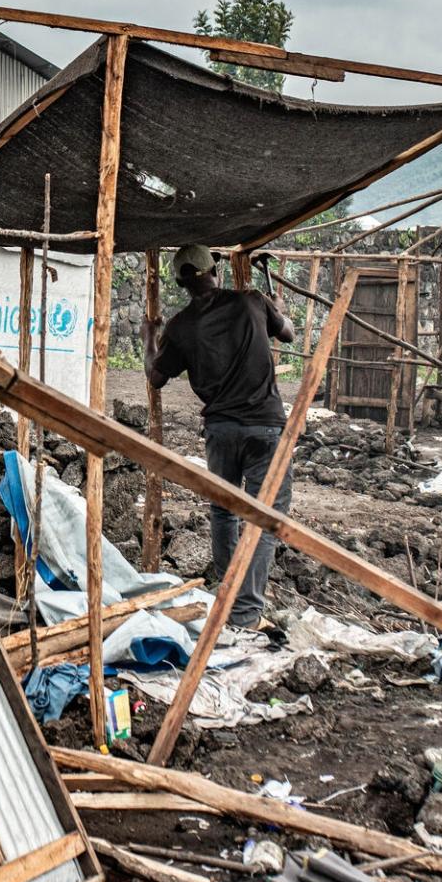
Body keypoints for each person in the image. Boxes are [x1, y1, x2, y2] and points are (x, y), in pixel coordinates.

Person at [144, 244, 296, 631]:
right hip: (265, 426)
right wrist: (278, 305)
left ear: (181, 282)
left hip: (220, 431)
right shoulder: (252, 301)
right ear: (217, 270)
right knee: (264, 519)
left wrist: (150, 336)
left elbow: (156, 377)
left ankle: (230, 599)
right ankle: (245, 612)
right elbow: (289, 334)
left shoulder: (179, 327)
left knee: (224, 513)